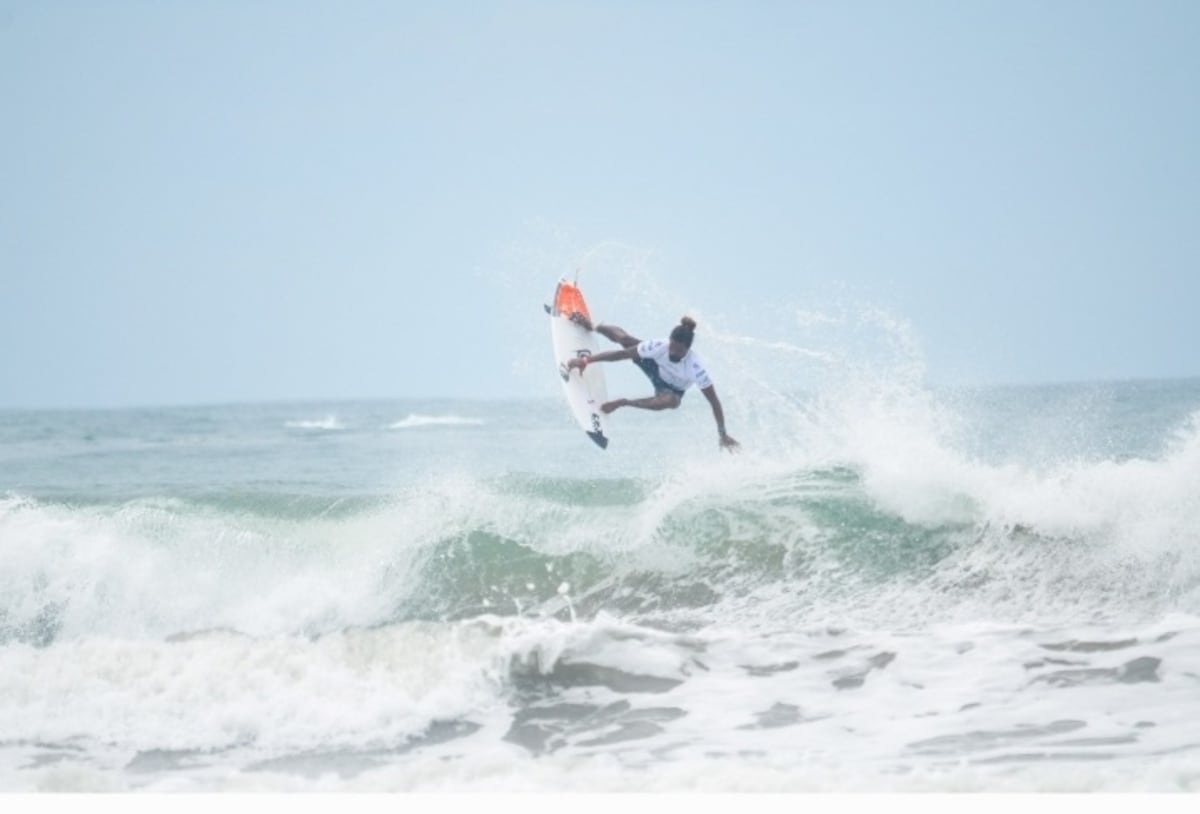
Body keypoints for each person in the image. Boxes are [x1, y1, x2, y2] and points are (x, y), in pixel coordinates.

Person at [566, 313, 740, 451]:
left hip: (671, 390)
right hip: (654, 367)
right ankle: (594, 326)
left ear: (687, 349)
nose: (672, 353)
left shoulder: (696, 368)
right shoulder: (659, 346)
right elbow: (621, 355)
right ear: (669, 340)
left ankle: (623, 402)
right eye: (671, 346)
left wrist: (722, 434)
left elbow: (714, 403)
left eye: (678, 351)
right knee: (626, 341)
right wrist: (586, 361)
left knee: (671, 402)